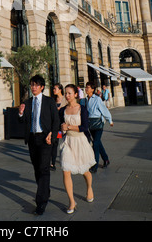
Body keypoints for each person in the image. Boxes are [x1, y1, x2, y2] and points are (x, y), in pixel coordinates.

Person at [19, 74, 60, 215]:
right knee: (37, 168)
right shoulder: (28, 102)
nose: (33, 87)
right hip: (32, 139)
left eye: (36, 85)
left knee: (44, 168)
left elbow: (56, 121)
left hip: (45, 139)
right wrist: (20, 113)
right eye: (32, 85)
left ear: (42, 87)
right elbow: (22, 122)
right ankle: (45, 191)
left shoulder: (49, 102)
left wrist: (52, 135)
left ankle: (41, 202)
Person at [59, 84, 96, 213]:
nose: (67, 95)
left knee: (84, 170)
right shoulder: (62, 110)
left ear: (75, 94)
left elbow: (85, 127)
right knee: (65, 170)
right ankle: (71, 201)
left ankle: (89, 188)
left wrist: (68, 127)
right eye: (65, 93)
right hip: (67, 142)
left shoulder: (82, 109)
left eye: (69, 93)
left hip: (80, 141)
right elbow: (59, 127)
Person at [83, 82, 114, 173]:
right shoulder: (85, 99)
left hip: (98, 124)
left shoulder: (97, 99)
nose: (86, 89)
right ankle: (106, 159)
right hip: (90, 124)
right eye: (86, 87)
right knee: (98, 143)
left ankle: (95, 166)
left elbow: (103, 110)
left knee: (95, 144)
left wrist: (110, 120)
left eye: (88, 87)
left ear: (92, 89)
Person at [50, 84, 68, 170]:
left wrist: (61, 110)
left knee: (65, 142)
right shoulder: (52, 100)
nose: (53, 90)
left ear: (60, 89)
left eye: (55, 88)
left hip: (63, 125)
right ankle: (52, 163)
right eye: (53, 88)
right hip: (55, 126)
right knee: (55, 142)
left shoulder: (65, 99)